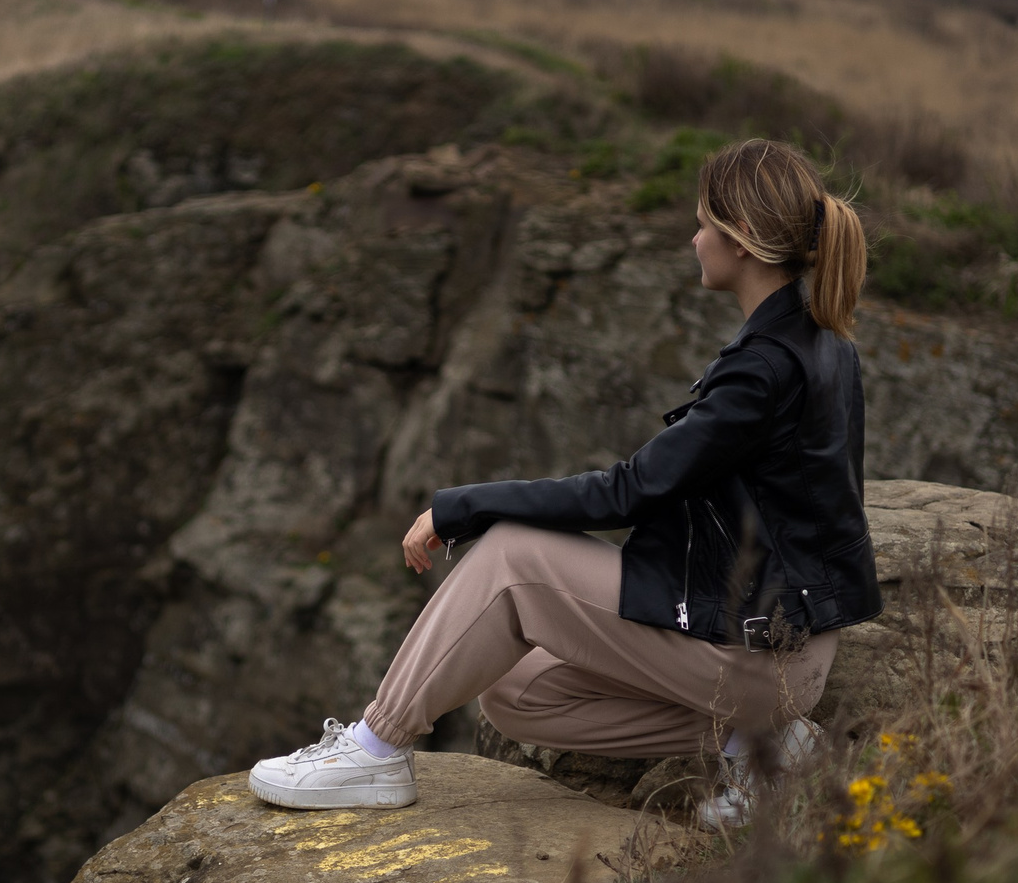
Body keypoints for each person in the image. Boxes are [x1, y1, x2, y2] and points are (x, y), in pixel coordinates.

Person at [249, 139, 883, 824]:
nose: (693, 237)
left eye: (704, 222)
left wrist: (460, 508)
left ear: (745, 241)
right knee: (516, 693)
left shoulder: (762, 370)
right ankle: (762, 742)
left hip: (765, 656)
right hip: (783, 649)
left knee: (509, 557)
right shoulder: (823, 344)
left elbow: (627, 491)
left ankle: (375, 750)